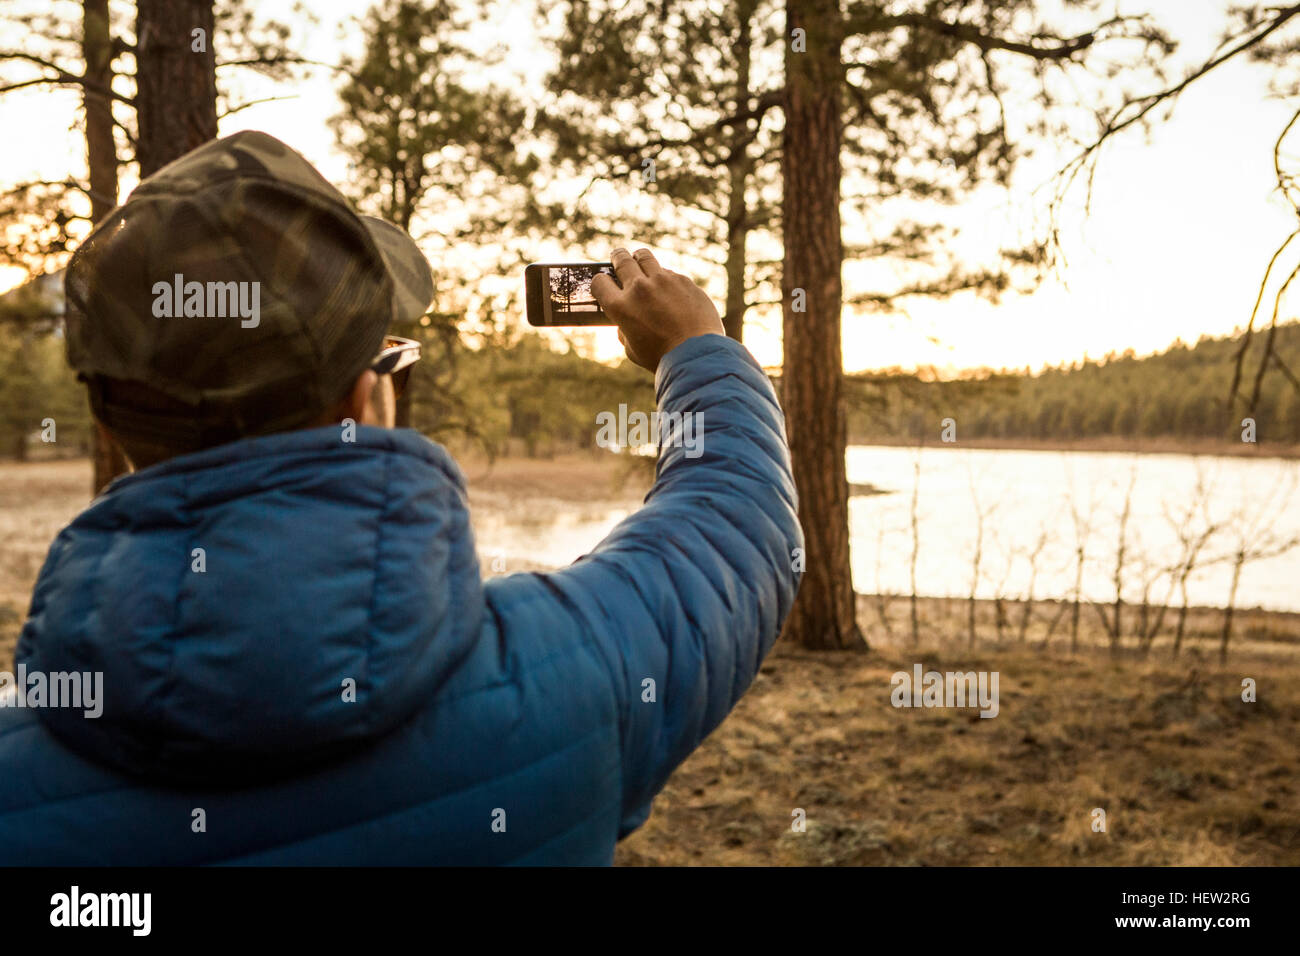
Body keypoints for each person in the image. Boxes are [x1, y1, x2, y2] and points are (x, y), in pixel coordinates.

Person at [0, 130, 802, 864]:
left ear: (112, 423)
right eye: (391, 358)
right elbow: (736, 519)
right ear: (362, 398)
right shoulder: (580, 677)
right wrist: (699, 349)